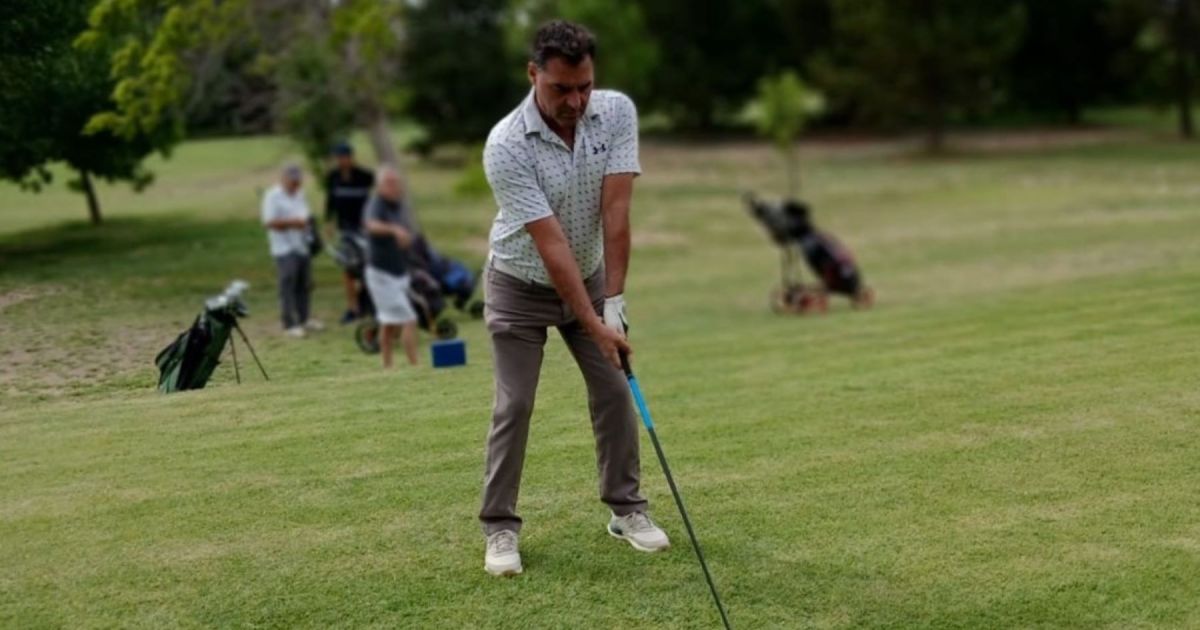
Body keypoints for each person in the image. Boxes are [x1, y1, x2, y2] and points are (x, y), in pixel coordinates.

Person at [478, 20, 668, 577]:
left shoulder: (615, 113)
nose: (576, 100)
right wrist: (594, 321)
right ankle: (499, 529)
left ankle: (627, 510)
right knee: (514, 405)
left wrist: (615, 302)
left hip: (588, 277)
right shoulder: (506, 144)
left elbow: (616, 213)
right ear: (534, 74)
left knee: (614, 391)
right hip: (518, 285)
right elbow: (551, 242)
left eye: (584, 86)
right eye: (562, 88)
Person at [362, 165, 420, 369]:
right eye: (390, 183)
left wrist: (405, 238)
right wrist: (394, 230)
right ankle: (415, 365)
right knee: (409, 318)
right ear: (380, 186)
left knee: (388, 322)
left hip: (398, 271)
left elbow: (406, 232)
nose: (395, 187)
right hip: (380, 273)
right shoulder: (376, 203)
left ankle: (387, 366)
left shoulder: (398, 205)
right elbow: (371, 225)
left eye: (397, 183)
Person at [261, 164, 322, 338]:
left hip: (302, 245)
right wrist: (293, 223)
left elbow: (306, 216)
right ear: (284, 179)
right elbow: (269, 222)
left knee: (304, 284)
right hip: (284, 248)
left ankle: (304, 318)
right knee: (288, 284)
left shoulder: (299, 195)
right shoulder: (273, 196)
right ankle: (289, 323)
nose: (296, 185)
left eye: (298, 182)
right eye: (293, 182)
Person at [324, 141, 375, 324]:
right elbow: (330, 200)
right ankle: (352, 308)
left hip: (364, 229)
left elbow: (374, 200)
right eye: (338, 157)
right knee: (348, 270)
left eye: (343, 157)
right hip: (345, 229)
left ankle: (366, 304)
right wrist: (328, 221)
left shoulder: (365, 176)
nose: (341, 160)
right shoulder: (333, 177)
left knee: (366, 267)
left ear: (351, 157)